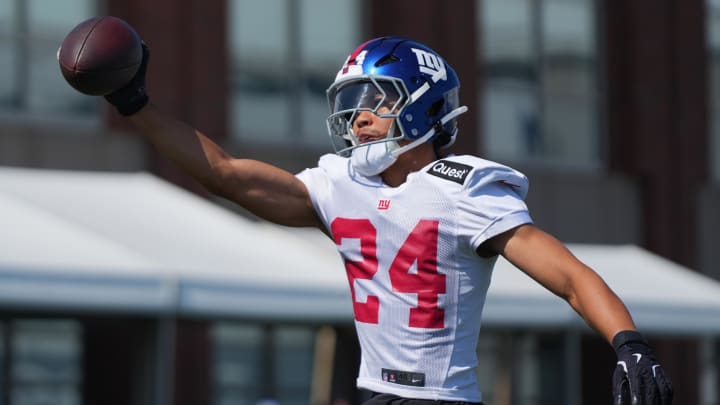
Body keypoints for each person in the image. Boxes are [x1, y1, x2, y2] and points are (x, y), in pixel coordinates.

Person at [98, 37, 673, 404]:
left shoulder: (466, 188)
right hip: (371, 393)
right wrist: (135, 106)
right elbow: (224, 173)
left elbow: (569, 275)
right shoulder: (339, 184)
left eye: (378, 97)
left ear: (422, 105)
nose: (358, 115)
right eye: (352, 99)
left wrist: (628, 342)